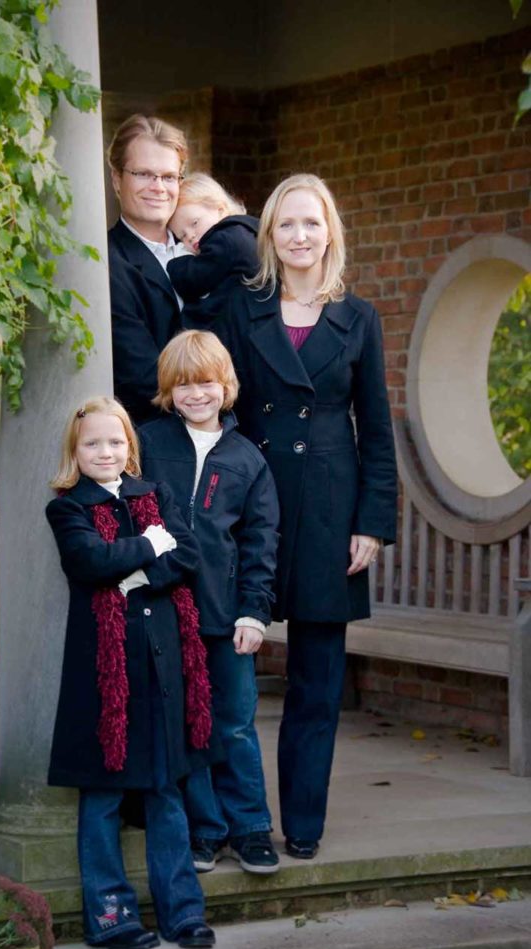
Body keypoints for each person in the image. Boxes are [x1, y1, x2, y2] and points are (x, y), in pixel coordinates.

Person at [218, 174, 397, 860]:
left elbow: (376, 430)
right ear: (268, 235)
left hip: (329, 508)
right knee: (231, 674)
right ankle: (233, 821)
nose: (299, 236)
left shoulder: (359, 318)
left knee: (317, 681)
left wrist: (372, 523)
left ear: (330, 233)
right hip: (254, 505)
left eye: (310, 223)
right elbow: (221, 405)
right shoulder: (240, 308)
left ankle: (302, 823)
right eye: (285, 224)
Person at [45, 396, 216, 949]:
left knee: (167, 790)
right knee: (103, 796)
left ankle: (182, 912)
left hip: (165, 666)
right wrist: (148, 546)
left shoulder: (156, 495)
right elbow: (89, 562)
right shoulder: (67, 508)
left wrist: (135, 572)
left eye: (115, 441)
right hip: (106, 676)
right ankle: (112, 916)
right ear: (76, 450)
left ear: (130, 446)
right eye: (93, 443)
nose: (105, 451)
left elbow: (187, 553)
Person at [138, 330, 280, 875]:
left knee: (235, 722)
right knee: (182, 723)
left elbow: (260, 542)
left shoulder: (248, 459)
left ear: (225, 385)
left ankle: (251, 828)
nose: (195, 394)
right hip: (166, 609)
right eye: (183, 385)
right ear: (168, 391)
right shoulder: (148, 443)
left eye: (206, 383)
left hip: (227, 617)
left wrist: (254, 611)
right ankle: (204, 830)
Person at [107, 114, 188, 424]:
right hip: (154, 444)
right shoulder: (108, 266)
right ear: (117, 179)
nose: (158, 187)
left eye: (169, 177)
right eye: (143, 174)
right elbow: (141, 375)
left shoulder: (203, 250)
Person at [167, 173, 259, 329]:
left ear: (220, 209)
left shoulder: (226, 240)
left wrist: (175, 264)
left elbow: (193, 279)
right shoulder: (246, 232)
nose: (190, 236)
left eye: (194, 223)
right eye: (182, 236)